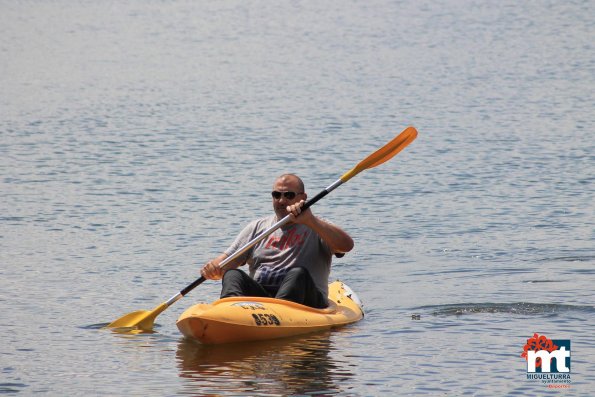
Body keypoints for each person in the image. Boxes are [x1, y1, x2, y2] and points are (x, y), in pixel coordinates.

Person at [201, 173, 354, 308]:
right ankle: (231, 311)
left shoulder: (317, 225)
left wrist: (310, 220)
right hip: (263, 300)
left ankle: (279, 315)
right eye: (276, 195)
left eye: (289, 195)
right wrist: (213, 268)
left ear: (303, 198)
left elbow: (346, 246)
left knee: (297, 274)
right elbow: (226, 262)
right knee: (233, 274)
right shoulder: (257, 227)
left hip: (305, 301)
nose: (281, 201)